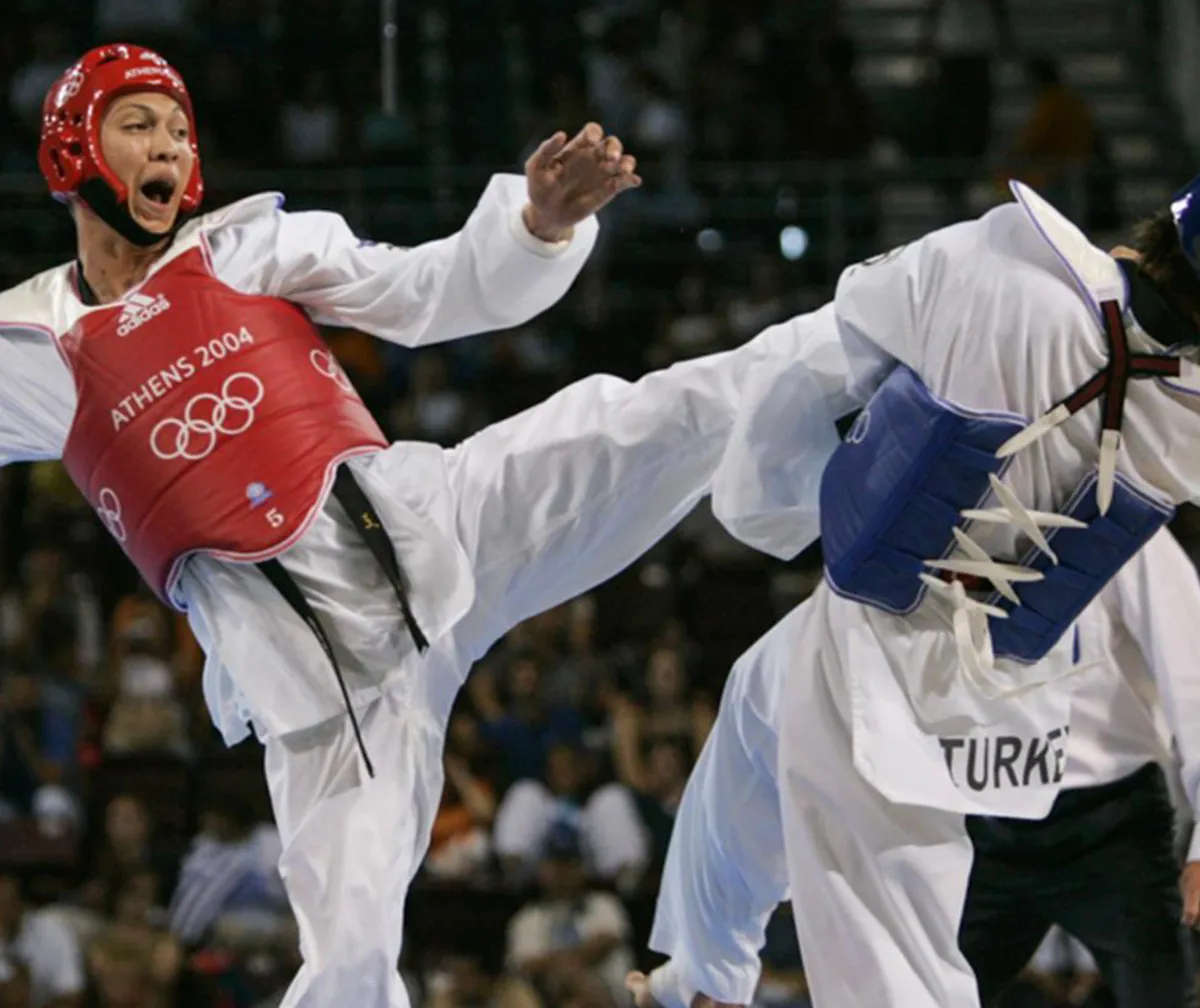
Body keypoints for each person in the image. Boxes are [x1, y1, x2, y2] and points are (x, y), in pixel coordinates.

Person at [0, 44, 831, 1008]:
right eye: (139, 125)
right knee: (350, 965)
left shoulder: (246, 250)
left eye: (181, 131)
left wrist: (537, 225)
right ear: (71, 150)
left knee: (662, 415)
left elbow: (429, 290)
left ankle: (886, 325)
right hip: (328, 695)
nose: (170, 148)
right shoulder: (34, 346)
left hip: (438, 527)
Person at [625, 166, 1200, 1008]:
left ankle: (709, 978)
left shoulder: (1000, 266)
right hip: (1013, 692)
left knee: (889, 965)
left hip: (886, 648)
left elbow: (839, 339)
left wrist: (783, 510)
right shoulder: (1188, 420)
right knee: (756, 701)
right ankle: (703, 979)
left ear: (1159, 231)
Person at [631, 527, 1200, 1008]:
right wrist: (711, 969)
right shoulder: (912, 529)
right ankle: (702, 977)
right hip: (980, 821)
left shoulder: (1118, 522)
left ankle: (705, 973)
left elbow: (1192, 673)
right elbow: (760, 711)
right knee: (903, 985)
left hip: (1110, 823)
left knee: (1169, 993)